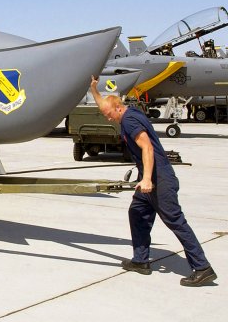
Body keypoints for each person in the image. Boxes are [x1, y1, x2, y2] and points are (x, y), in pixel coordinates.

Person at [90, 76, 217, 286]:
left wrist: (147, 179)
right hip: (149, 178)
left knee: (176, 222)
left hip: (159, 179)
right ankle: (141, 261)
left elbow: (147, 147)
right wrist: (94, 89)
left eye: (109, 115)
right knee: (137, 213)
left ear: (118, 108)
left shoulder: (129, 121)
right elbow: (105, 103)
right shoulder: (127, 111)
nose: (108, 119)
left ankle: (203, 267)